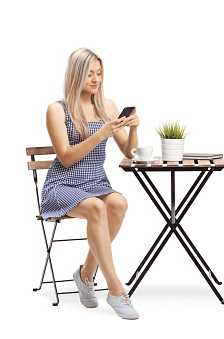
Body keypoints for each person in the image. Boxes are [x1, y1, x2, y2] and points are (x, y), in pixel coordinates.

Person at [40, 47, 139, 320]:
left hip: (95, 183)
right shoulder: (56, 110)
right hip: (62, 185)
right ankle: (116, 289)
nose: (95, 80)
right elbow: (66, 157)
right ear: (75, 75)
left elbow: (129, 154)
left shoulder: (107, 106)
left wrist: (133, 128)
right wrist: (100, 134)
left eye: (99, 73)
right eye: (89, 74)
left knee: (118, 203)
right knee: (97, 208)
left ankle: (85, 275)